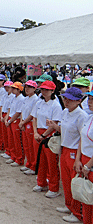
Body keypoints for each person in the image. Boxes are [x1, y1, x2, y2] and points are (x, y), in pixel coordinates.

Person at [47, 87, 85, 223]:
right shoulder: (65, 112)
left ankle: (77, 212)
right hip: (65, 149)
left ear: (79, 101)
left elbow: (82, 137)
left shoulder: (81, 116)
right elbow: (63, 129)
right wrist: (54, 126)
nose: (66, 101)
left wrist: (78, 158)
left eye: (70, 99)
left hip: (74, 152)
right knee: (66, 180)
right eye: (65, 98)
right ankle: (68, 205)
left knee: (74, 181)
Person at [31, 80, 62, 198]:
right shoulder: (39, 102)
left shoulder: (55, 105)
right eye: (43, 89)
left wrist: (43, 135)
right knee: (40, 160)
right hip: (38, 133)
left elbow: (55, 122)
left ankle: (54, 187)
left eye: (47, 90)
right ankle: (41, 182)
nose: (44, 92)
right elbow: (34, 118)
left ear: (52, 91)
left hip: (49, 135)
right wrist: (35, 133)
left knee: (51, 162)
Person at [74, 90, 93, 223]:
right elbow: (82, 137)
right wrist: (78, 159)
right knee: (86, 197)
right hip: (84, 159)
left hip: (91, 162)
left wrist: (89, 165)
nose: (89, 102)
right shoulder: (89, 117)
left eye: (92, 100)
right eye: (89, 99)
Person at [18, 80, 39, 175]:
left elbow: (32, 114)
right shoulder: (26, 99)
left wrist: (24, 122)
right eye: (26, 87)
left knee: (31, 146)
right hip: (24, 123)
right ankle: (29, 163)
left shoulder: (36, 99)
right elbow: (23, 111)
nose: (27, 89)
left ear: (34, 89)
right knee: (26, 145)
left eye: (29, 87)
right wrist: (21, 121)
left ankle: (33, 165)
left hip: (30, 122)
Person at [4, 82, 25, 166]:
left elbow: (18, 112)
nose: (12, 90)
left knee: (17, 141)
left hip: (15, 120)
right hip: (10, 119)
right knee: (11, 139)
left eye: (14, 88)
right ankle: (13, 156)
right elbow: (10, 109)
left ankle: (19, 158)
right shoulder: (14, 98)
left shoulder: (21, 99)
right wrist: (7, 118)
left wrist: (9, 121)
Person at [0, 81, 15, 160]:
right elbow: (1, 106)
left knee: (9, 136)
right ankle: (7, 150)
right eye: (5, 87)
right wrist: (1, 115)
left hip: (8, 116)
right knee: (4, 134)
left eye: (8, 87)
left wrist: (6, 118)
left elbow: (10, 109)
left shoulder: (12, 96)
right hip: (3, 114)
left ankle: (10, 152)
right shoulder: (4, 95)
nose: (7, 89)